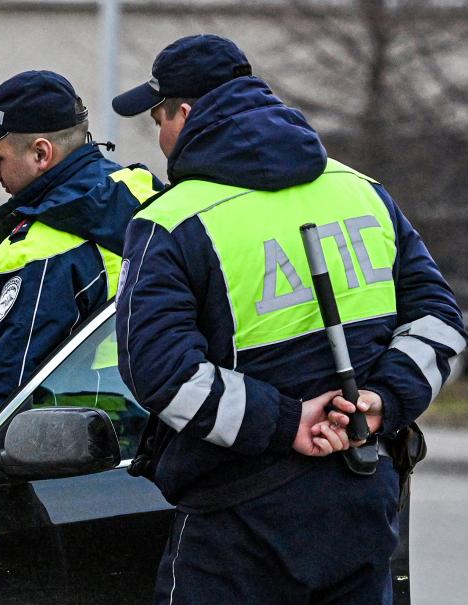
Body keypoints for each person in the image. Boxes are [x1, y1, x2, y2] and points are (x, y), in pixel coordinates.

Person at [112, 34, 466, 604]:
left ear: (186, 112)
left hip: (235, 522)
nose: (160, 139)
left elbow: (160, 372)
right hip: (362, 497)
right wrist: (380, 402)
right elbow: (440, 322)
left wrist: (288, 423)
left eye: (158, 119)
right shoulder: (363, 191)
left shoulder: (171, 221)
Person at [0, 70, 162, 443]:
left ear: (41, 153)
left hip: (67, 460)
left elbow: (9, 410)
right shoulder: (139, 193)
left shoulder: (42, 253)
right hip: (140, 442)